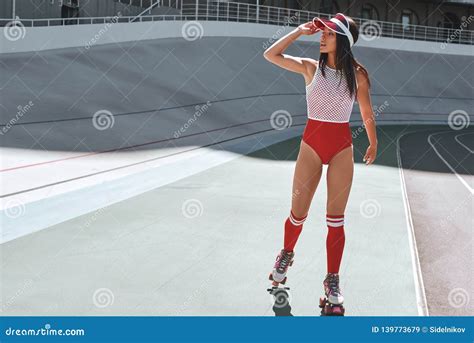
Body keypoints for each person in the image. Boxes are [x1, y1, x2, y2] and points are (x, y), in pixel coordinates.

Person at [263, 13, 378, 308]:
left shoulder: (359, 75)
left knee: (335, 221)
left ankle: (332, 279)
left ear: (342, 40)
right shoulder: (310, 68)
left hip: (341, 149)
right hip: (310, 147)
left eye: (328, 32)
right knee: (297, 215)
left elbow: (365, 111)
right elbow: (270, 54)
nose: (321, 36)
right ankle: (286, 254)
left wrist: (373, 140)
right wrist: (299, 32)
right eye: (322, 32)